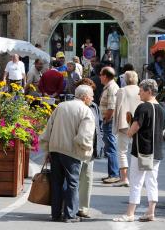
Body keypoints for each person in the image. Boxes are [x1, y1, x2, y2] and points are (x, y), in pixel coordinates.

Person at [39, 85, 95, 223]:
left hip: (55, 148)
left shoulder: (61, 106)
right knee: (72, 183)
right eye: (92, 96)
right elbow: (84, 137)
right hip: (72, 151)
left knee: (57, 182)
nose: (92, 99)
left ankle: (56, 214)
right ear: (85, 97)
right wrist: (87, 151)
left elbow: (48, 129)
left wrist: (47, 148)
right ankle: (70, 215)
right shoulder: (86, 111)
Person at [113, 79, 164, 223]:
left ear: (148, 91)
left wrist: (128, 131)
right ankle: (151, 211)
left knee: (137, 180)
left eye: (141, 91)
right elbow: (162, 130)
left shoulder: (143, 107)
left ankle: (130, 213)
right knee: (152, 180)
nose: (139, 94)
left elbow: (134, 128)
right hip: (156, 150)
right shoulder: (161, 109)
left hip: (143, 149)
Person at [74, 78, 104, 219]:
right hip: (75, 147)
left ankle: (83, 208)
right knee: (73, 178)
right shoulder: (73, 106)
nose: (92, 97)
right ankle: (70, 206)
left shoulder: (94, 107)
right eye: (90, 94)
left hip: (90, 148)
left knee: (86, 178)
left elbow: (99, 125)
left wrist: (100, 144)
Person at [113, 70, 141, 187]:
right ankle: (137, 178)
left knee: (122, 151)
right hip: (139, 124)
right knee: (137, 151)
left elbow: (117, 108)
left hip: (124, 124)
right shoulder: (141, 90)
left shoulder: (122, 90)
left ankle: (124, 178)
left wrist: (115, 126)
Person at [99, 66, 120, 184]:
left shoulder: (111, 87)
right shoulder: (109, 86)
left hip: (109, 121)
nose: (100, 77)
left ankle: (114, 174)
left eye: (101, 74)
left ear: (105, 76)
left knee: (111, 147)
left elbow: (111, 107)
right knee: (109, 147)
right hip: (107, 120)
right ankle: (112, 173)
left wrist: (106, 120)